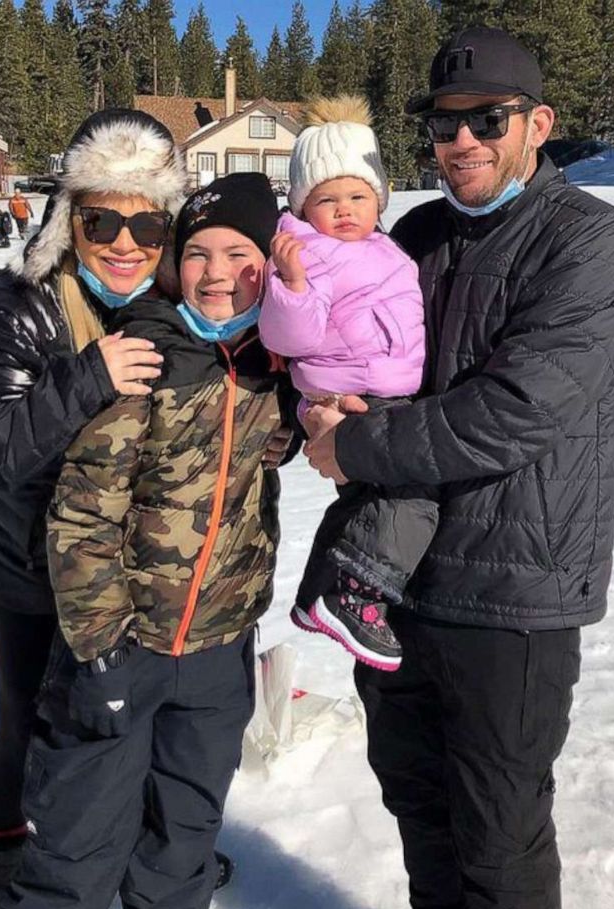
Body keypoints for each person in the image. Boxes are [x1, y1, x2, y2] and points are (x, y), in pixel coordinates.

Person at [302, 25, 614, 909]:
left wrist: (356, 443)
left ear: (538, 123)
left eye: (486, 120)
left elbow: (515, 413)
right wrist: (317, 401)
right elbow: (333, 339)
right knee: (417, 803)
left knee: (499, 833)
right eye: (444, 124)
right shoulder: (412, 238)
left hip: (515, 591)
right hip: (397, 579)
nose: (461, 142)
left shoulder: (590, 243)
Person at [0, 172, 296, 909]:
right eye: (197, 253)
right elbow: (82, 518)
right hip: (120, 655)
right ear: (173, 267)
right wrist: (102, 652)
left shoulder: (277, 366)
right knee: (70, 868)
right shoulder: (144, 358)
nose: (218, 271)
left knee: (179, 865)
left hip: (218, 661)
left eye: (239, 252)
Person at [0, 108, 183, 909]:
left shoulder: (174, 308)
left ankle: (136, 875)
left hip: (136, 578)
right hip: (31, 576)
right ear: (66, 220)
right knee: (26, 736)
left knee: (133, 736)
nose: (124, 243)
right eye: (102, 220)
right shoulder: (16, 308)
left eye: (146, 222)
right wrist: (88, 377)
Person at [258, 94, 428, 671]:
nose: (345, 210)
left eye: (357, 196)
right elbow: (289, 336)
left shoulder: (384, 246)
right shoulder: (308, 253)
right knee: (412, 498)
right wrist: (294, 283)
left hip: (388, 387)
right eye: (326, 200)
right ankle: (354, 594)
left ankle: (320, 594)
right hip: (351, 389)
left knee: (370, 501)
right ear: (305, 207)